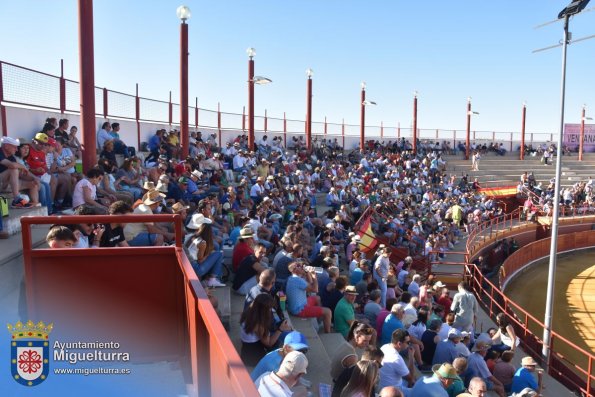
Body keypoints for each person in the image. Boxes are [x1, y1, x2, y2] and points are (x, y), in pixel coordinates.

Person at [240, 293, 293, 367]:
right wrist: (280, 329)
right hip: (254, 357)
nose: (270, 310)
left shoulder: (248, 312)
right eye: (269, 308)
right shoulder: (258, 324)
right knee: (284, 349)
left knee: (279, 341)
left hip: (246, 350)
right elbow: (269, 343)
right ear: (263, 309)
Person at [286, 261, 332, 333]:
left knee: (317, 298)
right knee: (328, 312)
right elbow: (315, 290)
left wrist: (308, 273)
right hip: (299, 310)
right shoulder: (297, 280)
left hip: (300, 304)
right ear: (294, 270)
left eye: (301, 265)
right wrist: (314, 276)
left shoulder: (293, 278)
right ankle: (328, 334)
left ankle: (319, 320)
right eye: (299, 266)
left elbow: (310, 283)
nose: (302, 267)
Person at [185, 214, 225, 288]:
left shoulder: (189, 236)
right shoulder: (202, 242)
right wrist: (209, 253)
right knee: (219, 253)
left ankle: (212, 279)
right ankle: (213, 279)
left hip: (189, 266)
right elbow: (200, 261)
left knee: (215, 252)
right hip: (195, 269)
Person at [0, 136, 40, 207]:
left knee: (33, 183)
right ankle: (16, 199)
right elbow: (12, 166)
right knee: (13, 169)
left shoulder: (11, 157)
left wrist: (34, 178)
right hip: (1, 183)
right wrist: (22, 166)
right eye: (14, 147)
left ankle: (35, 205)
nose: (16, 149)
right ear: (6, 146)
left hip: (7, 184)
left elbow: (21, 173)